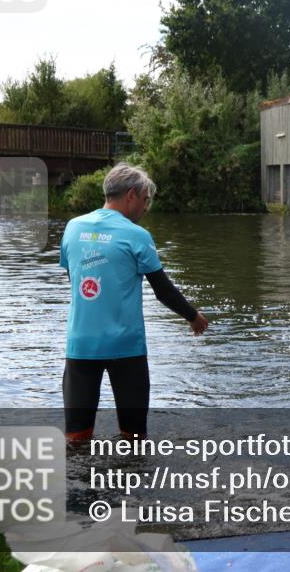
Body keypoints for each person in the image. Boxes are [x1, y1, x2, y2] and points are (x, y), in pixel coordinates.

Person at [59, 163, 208, 441]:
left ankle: (79, 484)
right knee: (134, 438)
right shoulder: (137, 235)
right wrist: (193, 317)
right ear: (131, 195)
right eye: (145, 200)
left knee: (76, 440)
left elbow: (75, 280)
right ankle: (131, 481)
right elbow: (163, 290)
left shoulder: (73, 227)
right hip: (125, 349)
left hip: (80, 345)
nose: (145, 207)